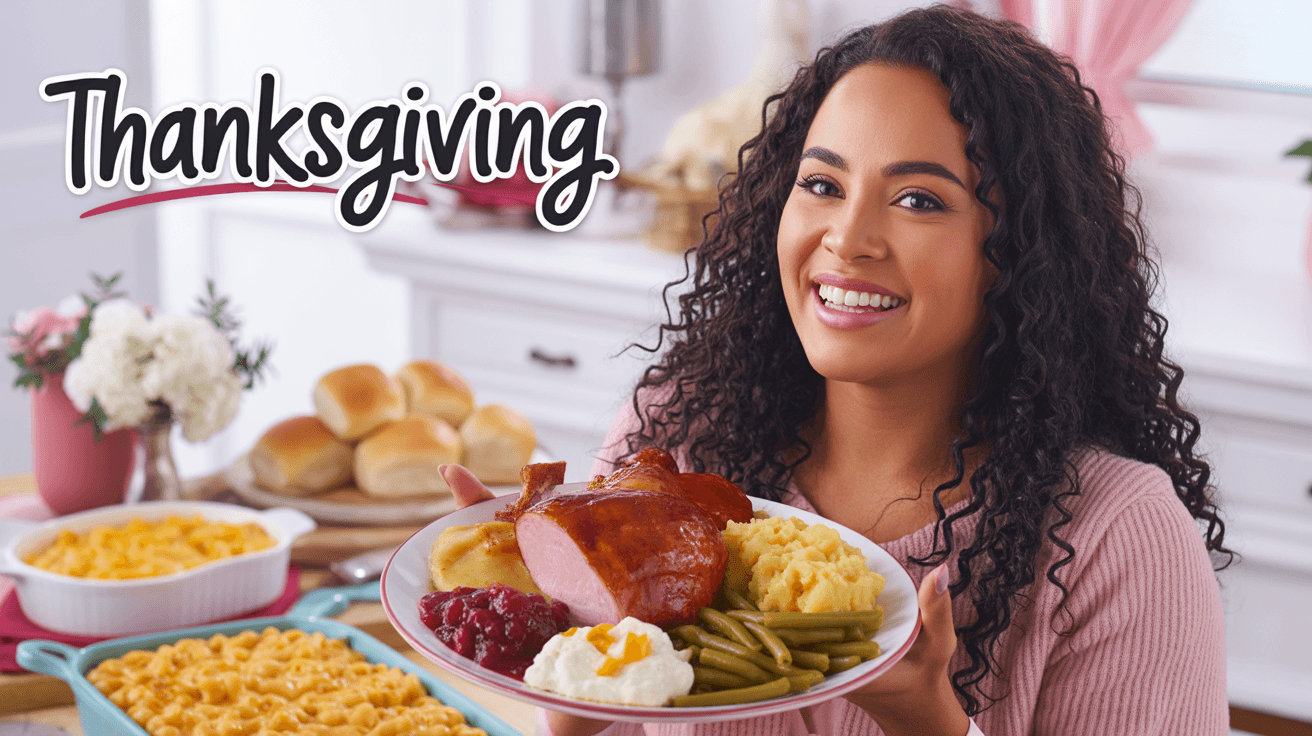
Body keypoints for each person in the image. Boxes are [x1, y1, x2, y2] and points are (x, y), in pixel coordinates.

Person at [440, 5, 1232, 735]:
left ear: (1018, 253)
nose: (848, 239)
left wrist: (929, 723)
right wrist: (556, 654)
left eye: (919, 200)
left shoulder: (1116, 535)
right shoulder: (678, 435)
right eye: (822, 185)